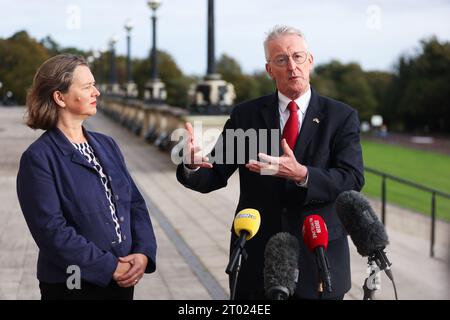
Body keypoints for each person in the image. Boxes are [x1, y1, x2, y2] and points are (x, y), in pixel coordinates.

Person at [176, 25, 364, 300]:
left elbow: (352, 178)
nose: (292, 66)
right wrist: (192, 164)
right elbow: (214, 174)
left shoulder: (341, 116)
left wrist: (303, 174)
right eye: (281, 59)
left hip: (318, 259)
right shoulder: (246, 116)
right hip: (256, 258)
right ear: (269, 70)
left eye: (298, 57)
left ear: (310, 61)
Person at [16, 54, 157, 300]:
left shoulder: (107, 144)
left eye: (94, 85)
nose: (97, 92)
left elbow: (134, 203)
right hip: (73, 285)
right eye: (87, 86)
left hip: (121, 282)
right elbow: (51, 231)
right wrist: (110, 267)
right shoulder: (38, 158)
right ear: (60, 97)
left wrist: (143, 253)